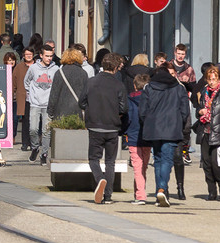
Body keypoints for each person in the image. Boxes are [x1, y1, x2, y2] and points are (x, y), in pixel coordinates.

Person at [139, 64, 192, 206]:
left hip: (154, 128)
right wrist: (178, 122)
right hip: (172, 128)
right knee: (167, 160)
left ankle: (160, 192)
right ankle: (162, 188)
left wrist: (149, 122)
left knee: (158, 159)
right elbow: (185, 111)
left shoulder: (149, 88)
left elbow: (142, 111)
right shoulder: (179, 88)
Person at [80, 52, 128, 203]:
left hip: (94, 125)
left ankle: (100, 179)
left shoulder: (91, 82)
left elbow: (81, 102)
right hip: (112, 127)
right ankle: (108, 195)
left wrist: (91, 109)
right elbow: (124, 108)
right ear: (115, 68)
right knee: (110, 162)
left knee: (93, 159)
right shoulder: (119, 85)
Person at [196, 64, 220, 201]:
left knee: (216, 163)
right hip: (205, 131)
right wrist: (200, 112)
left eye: (214, 79)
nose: (212, 82)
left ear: (219, 79)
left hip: (219, 132)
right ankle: (211, 191)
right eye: (210, 79)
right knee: (206, 164)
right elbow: (199, 110)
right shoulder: (204, 92)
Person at [24, 46, 58, 163]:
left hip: (48, 104)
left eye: (51, 56)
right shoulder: (33, 68)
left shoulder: (56, 69)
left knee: (46, 131)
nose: (49, 58)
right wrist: (31, 94)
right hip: (35, 103)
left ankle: (44, 154)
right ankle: (34, 148)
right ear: (41, 56)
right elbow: (27, 81)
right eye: (47, 56)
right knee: (33, 129)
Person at [126, 72, 152, 203]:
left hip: (133, 136)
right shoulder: (150, 100)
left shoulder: (129, 99)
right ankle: (139, 192)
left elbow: (128, 118)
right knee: (143, 167)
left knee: (137, 166)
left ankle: (140, 195)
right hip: (148, 136)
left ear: (135, 86)